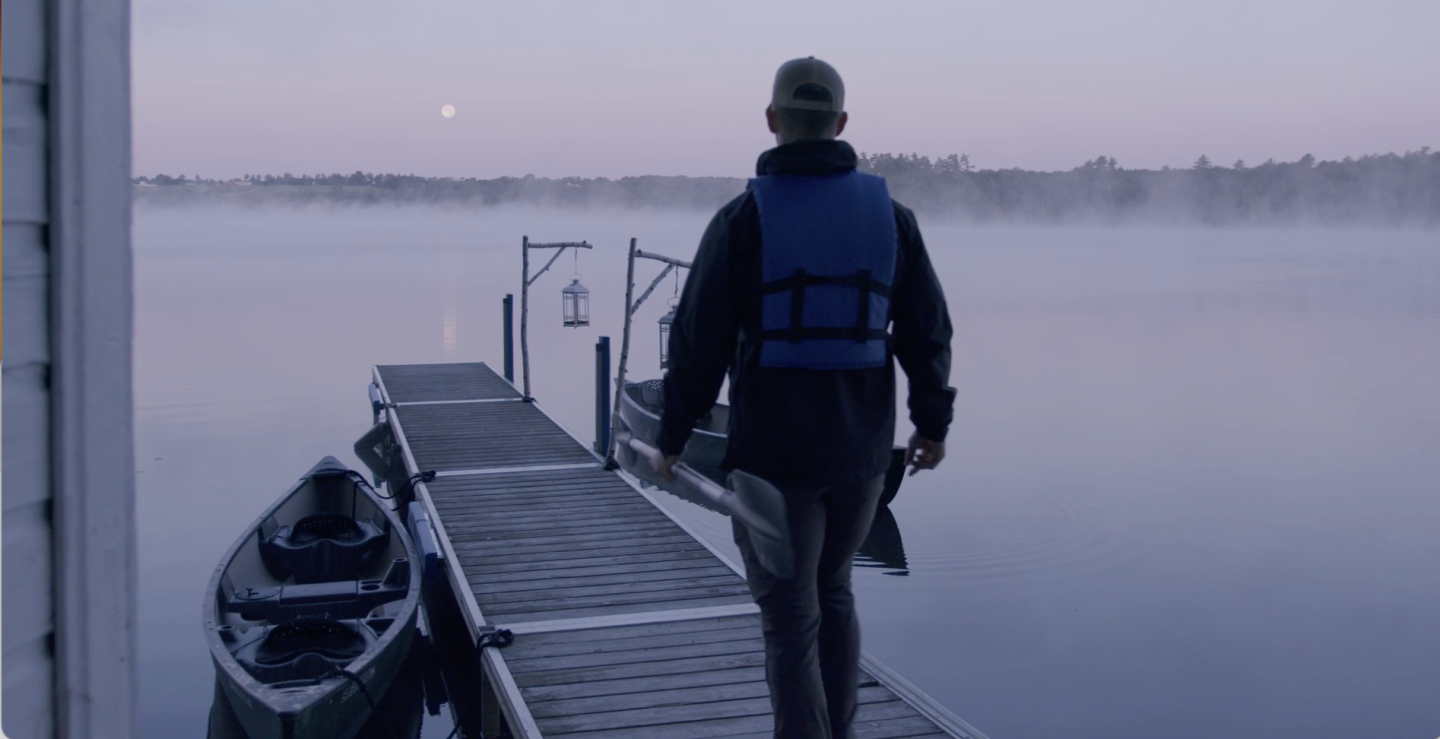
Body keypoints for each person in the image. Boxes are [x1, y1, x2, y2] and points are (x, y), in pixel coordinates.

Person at [654, 57, 956, 739]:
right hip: (863, 457)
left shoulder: (742, 219)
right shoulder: (893, 219)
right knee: (835, 592)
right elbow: (927, 328)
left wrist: (673, 435)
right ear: (841, 124)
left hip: (773, 456)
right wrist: (931, 422)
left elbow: (699, 338)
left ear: (772, 120)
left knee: (791, 620)